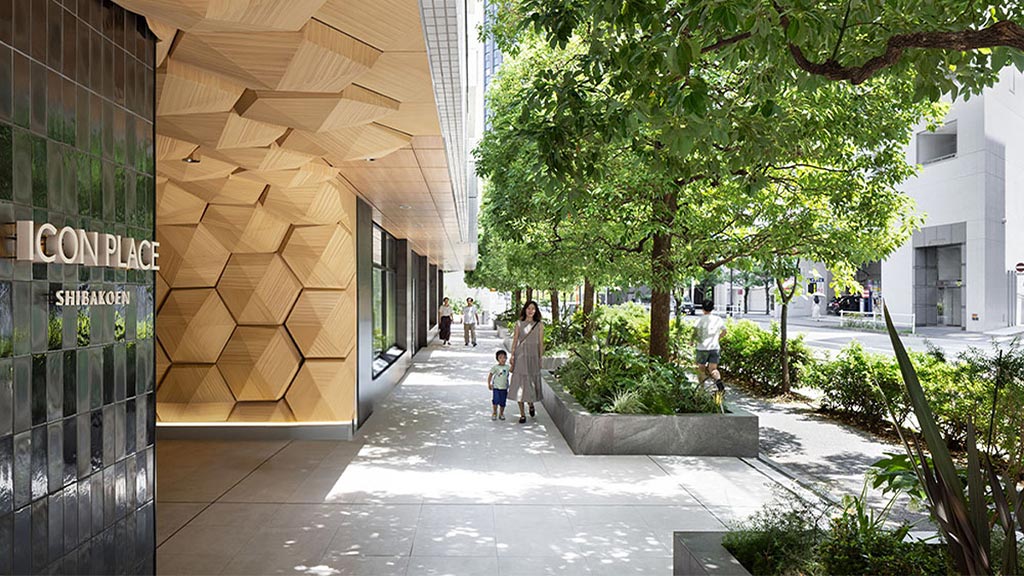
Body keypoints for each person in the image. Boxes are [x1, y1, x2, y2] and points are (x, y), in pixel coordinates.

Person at [508, 300, 544, 424]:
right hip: (521, 355)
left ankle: (531, 403)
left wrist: (540, 358)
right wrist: (512, 355)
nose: (530, 311)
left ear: (536, 311)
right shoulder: (519, 323)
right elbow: (515, 340)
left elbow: (540, 343)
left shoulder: (539, 325)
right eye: (528, 308)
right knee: (520, 383)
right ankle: (522, 414)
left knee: (531, 382)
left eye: (533, 308)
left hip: (533, 356)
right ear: (525, 309)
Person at [694, 300, 726, 392]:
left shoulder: (700, 320)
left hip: (702, 348)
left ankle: (702, 389)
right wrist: (717, 338)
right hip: (715, 347)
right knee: (713, 369)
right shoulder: (718, 319)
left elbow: (695, 334)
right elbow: (724, 331)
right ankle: (719, 384)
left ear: (702, 309)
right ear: (712, 308)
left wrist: (691, 341)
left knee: (701, 369)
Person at [488, 350, 510, 421]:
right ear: (497, 359)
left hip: (504, 388)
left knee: (503, 402)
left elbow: (513, 370)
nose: (502, 359)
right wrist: (489, 383)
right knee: (495, 400)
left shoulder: (507, 367)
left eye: (504, 357)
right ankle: (494, 412)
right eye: (500, 357)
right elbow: (490, 375)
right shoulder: (495, 367)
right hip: (496, 387)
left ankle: (501, 413)